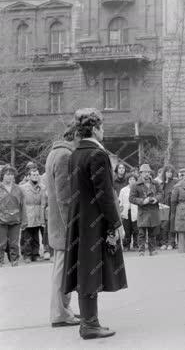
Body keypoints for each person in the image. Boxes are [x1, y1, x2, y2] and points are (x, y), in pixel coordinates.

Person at [63, 108, 126, 339]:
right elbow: (105, 194)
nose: (103, 131)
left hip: (79, 218)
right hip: (93, 221)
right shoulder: (97, 155)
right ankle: (89, 325)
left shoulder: (75, 154)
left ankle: (89, 322)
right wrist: (116, 222)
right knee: (91, 269)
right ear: (96, 128)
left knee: (84, 269)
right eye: (102, 126)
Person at [44, 124, 81, 327]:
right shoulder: (65, 156)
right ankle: (59, 314)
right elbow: (65, 198)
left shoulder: (54, 153)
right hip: (64, 226)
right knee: (61, 272)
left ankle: (63, 311)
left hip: (57, 224)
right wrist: (72, 226)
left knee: (63, 269)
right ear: (75, 135)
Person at [130, 164, 162, 256]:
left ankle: (152, 250)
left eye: (148, 172)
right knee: (141, 233)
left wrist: (156, 199)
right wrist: (143, 201)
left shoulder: (155, 183)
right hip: (143, 211)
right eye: (145, 172)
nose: (147, 174)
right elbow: (131, 198)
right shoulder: (136, 185)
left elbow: (161, 193)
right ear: (140, 173)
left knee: (152, 232)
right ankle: (141, 250)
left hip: (153, 210)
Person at [20, 166, 47, 263]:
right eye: (33, 175)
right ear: (29, 176)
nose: (36, 176)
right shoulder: (23, 188)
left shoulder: (42, 187)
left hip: (38, 215)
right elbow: (21, 203)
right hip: (27, 214)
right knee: (27, 237)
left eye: (37, 175)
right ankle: (27, 255)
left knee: (36, 237)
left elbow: (43, 203)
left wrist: (42, 217)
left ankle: (36, 254)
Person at [0, 165, 24, 267]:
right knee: (1, 243)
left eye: (11, 174)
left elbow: (23, 205)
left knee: (14, 244)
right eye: (7, 174)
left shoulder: (18, 189)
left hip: (15, 220)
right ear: (2, 175)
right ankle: (0, 261)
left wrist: (24, 220)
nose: (9, 177)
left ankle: (15, 262)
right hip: (1, 221)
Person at [118, 173, 139, 251]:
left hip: (136, 212)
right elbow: (120, 202)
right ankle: (126, 245)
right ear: (128, 181)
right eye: (130, 179)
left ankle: (136, 245)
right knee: (127, 230)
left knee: (136, 229)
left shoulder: (138, 189)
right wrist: (120, 212)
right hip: (125, 212)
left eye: (134, 179)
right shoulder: (123, 190)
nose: (132, 181)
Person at [160, 166, 177, 250]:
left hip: (172, 206)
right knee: (164, 225)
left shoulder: (175, 182)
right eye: (167, 172)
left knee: (171, 224)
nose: (169, 173)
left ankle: (171, 243)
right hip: (163, 206)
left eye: (170, 172)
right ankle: (164, 243)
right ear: (164, 173)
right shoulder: (161, 183)